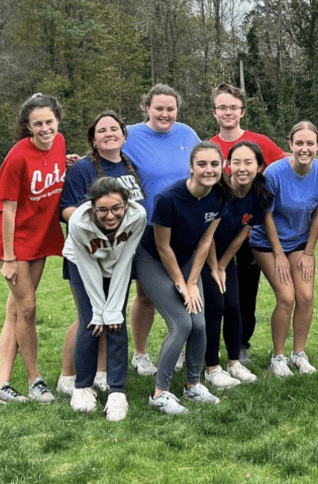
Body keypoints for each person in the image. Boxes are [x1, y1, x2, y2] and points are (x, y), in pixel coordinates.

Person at [135, 141, 228, 414]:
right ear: (190, 167)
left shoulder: (220, 196)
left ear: (222, 167)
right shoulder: (168, 198)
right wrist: (180, 284)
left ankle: (192, 386)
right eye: (202, 164)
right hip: (152, 258)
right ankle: (160, 394)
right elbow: (163, 247)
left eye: (214, 164)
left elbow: (204, 242)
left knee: (199, 324)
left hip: (188, 259)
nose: (208, 170)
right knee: (181, 324)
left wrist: (192, 282)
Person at [57, 110, 144, 396]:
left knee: (112, 314)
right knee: (90, 316)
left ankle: (103, 373)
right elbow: (68, 208)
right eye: (102, 130)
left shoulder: (130, 167)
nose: (109, 134)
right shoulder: (83, 169)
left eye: (114, 128)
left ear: (124, 134)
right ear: (93, 139)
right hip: (87, 250)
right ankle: (70, 376)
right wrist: (95, 227)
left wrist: (118, 232)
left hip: (118, 252)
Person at [0, 93, 67, 404]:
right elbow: (7, 209)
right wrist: (7, 258)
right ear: (28, 126)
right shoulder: (18, 156)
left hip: (40, 236)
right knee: (29, 309)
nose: (45, 128)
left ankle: (1, 386)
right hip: (14, 241)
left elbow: (53, 167)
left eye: (49, 121)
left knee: (16, 311)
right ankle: (35, 380)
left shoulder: (59, 143)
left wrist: (67, 161)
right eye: (38, 124)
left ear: (57, 120)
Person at [123, 84, 201, 377]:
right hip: (147, 227)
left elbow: (204, 167)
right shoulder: (129, 136)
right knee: (145, 294)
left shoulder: (187, 134)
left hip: (184, 228)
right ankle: (140, 354)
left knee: (182, 289)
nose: (165, 114)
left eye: (170, 109)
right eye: (159, 108)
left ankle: (178, 346)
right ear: (147, 108)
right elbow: (103, 155)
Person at [251, 121, 318, 377]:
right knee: (287, 297)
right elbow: (266, 216)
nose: (304, 148)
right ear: (290, 144)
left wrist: (309, 253)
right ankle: (278, 357)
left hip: (299, 241)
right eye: (299, 143)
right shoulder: (274, 173)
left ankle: (299, 353)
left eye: (310, 143)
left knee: (306, 296)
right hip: (267, 242)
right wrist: (278, 255)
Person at [209, 83, 287, 364]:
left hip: (248, 231)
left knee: (245, 291)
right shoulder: (210, 146)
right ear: (214, 112)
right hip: (214, 235)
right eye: (222, 107)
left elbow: (284, 164)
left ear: (242, 111)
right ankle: (208, 345)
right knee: (213, 292)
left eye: (233, 107)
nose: (228, 112)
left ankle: (241, 344)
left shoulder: (260, 142)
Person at [63, 177, 146, 421]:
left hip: (117, 265)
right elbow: (88, 268)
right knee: (92, 322)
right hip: (83, 265)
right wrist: (100, 309)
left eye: (116, 209)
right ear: (92, 207)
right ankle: (82, 388)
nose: (110, 216)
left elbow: (124, 262)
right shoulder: (79, 221)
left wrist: (111, 310)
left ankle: (117, 392)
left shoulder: (138, 216)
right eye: (102, 210)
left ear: (126, 205)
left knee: (115, 321)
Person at [201, 141, 273, 389]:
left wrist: (222, 265)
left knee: (233, 305)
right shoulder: (216, 191)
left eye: (248, 162)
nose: (242, 168)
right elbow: (206, 235)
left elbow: (243, 234)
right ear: (227, 165)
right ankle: (211, 367)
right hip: (200, 254)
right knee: (215, 305)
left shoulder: (258, 195)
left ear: (260, 166)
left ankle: (234, 363)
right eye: (236, 162)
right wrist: (213, 266)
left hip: (224, 256)